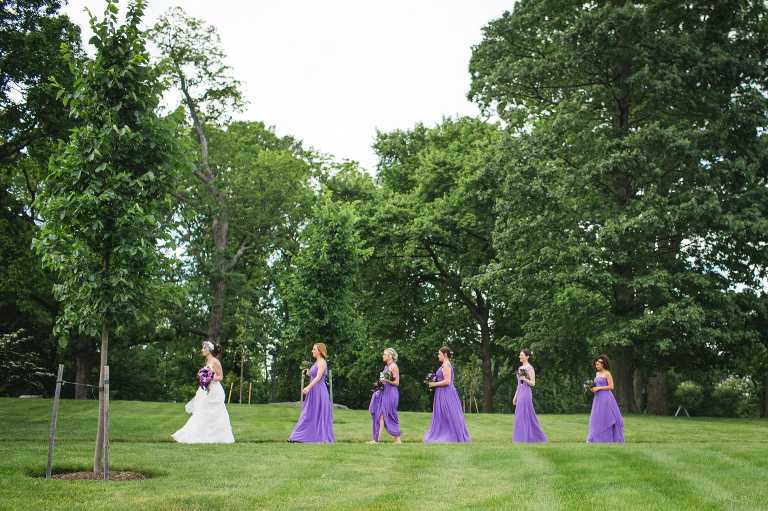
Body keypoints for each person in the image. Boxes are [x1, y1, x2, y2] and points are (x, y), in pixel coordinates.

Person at [172, 341, 235, 444]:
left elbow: (221, 377)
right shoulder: (207, 362)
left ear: (208, 350)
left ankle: (218, 437)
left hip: (214, 391)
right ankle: (197, 435)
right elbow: (204, 375)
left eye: (203, 348)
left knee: (215, 413)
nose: (201, 350)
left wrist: (211, 377)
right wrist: (202, 377)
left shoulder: (215, 361)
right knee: (201, 411)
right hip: (205, 390)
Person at [288, 343, 335, 443]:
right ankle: (299, 437)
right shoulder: (317, 362)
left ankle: (314, 438)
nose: (312, 351)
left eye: (314, 349)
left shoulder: (322, 362)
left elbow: (318, 377)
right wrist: (307, 371)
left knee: (316, 415)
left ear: (319, 351)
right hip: (313, 392)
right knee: (308, 414)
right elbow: (313, 374)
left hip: (319, 392)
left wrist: (308, 387)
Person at [423, 346, 470, 443]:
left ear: (444, 355)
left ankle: (451, 436)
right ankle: (445, 434)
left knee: (448, 414)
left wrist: (433, 384)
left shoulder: (446, 365)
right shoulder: (444, 365)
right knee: (443, 414)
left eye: (439, 354)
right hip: (442, 393)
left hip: (446, 393)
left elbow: (447, 381)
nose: (438, 356)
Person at [587, 354, 625, 443]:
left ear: (603, 364)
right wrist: (592, 388)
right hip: (597, 398)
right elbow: (596, 385)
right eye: (596, 364)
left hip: (606, 398)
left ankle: (608, 439)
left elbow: (611, 386)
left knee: (606, 416)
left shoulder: (607, 373)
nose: (597, 365)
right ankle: (595, 438)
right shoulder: (597, 374)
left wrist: (599, 388)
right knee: (596, 417)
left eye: (598, 364)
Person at [512, 348, 547, 443]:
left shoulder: (529, 368)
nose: (520, 356)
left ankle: (535, 437)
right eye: (520, 355)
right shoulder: (520, 368)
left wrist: (525, 379)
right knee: (519, 415)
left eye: (522, 355)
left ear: (527, 357)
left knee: (525, 414)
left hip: (526, 393)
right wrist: (515, 397)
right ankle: (520, 437)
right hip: (520, 393)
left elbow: (533, 383)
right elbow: (519, 385)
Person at [368, 348, 401, 443]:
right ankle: (377, 439)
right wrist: (377, 386)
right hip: (384, 393)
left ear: (390, 356)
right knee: (381, 416)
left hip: (391, 394)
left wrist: (387, 380)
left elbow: (397, 382)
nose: (383, 356)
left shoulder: (394, 366)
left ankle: (396, 439)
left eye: (384, 354)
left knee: (390, 415)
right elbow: (382, 381)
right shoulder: (386, 367)